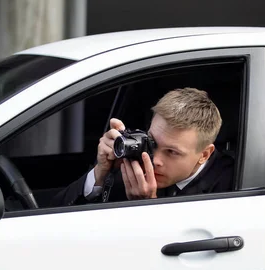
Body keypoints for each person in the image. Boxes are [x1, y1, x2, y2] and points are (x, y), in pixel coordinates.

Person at [50, 87, 234, 206]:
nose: (155, 160)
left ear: (204, 154)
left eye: (172, 152)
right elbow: (51, 214)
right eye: (152, 142)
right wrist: (100, 173)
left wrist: (147, 207)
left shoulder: (233, 187)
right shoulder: (135, 164)